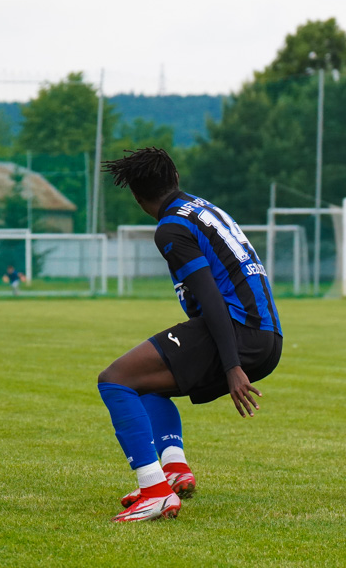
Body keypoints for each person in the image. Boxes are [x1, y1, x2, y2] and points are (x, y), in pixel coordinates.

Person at [99, 148, 282, 522]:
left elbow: (211, 298)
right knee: (146, 384)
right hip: (267, 336)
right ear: (175, 178)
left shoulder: (170, 228)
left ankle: (154, 492)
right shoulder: (200, 208)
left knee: (115, 380)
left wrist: (232, 365)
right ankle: (174, 470)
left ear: (137, 196)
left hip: (237, 331)